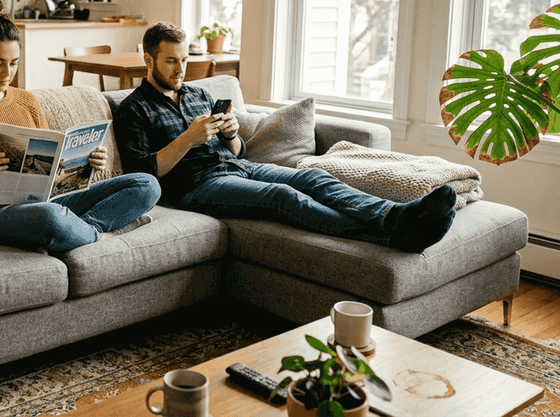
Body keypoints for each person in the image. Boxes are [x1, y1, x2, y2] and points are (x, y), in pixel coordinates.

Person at [113, 22, 456, 254]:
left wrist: (232, 134)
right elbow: (143, 173)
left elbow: (239, 150)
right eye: (171, 61)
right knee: (282, 196)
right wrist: (187, 139)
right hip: (194, 187)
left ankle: (395, 215)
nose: (180, 69)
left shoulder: (196, 94)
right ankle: (386, 235)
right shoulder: (133, 109)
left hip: (238, 166)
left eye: (185, 60)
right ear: (148, 59)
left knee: (312, 176)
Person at [0, 0, 159, 252]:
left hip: (49, 200)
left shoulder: (26, 101)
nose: (8, 73)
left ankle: (79, 230)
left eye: (14, 63)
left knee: (146, 185)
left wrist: (85, 163)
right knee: (50, 217)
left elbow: (53, 167)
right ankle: (97, 235)